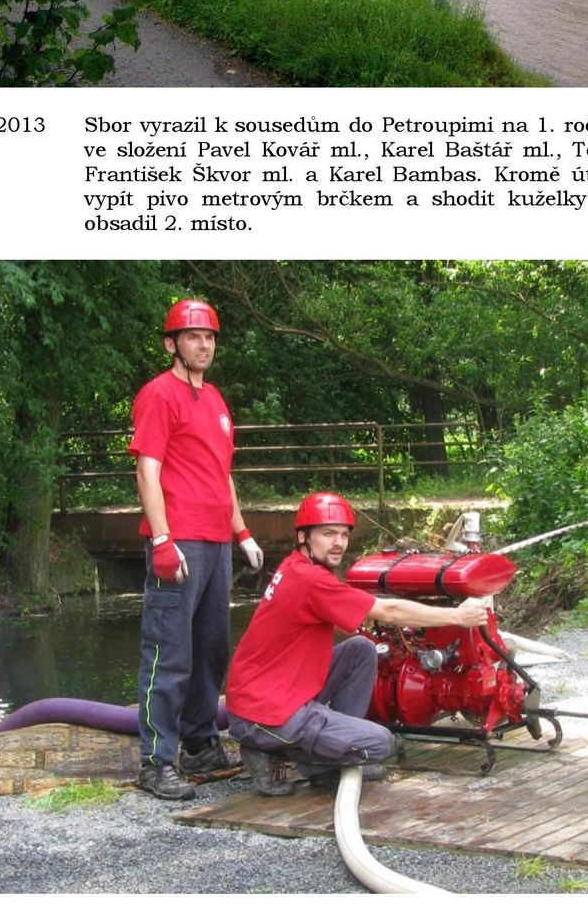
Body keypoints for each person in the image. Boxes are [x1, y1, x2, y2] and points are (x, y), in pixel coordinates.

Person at [225, 491, 491, 795]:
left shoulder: (295, 566)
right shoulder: (313, 581)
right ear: (303, 536)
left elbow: (352, 614)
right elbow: (388, 611)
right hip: (266, 714)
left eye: (343, 534)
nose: (338, 542)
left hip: (264, 695)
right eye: (328, 534)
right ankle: (282, 755)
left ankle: (327, 754)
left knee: (361, 650)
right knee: (380, 743)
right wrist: (456, 616)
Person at [130, 299, 264, 801]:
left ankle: (202, 745)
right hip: (179, 541)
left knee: (210, 651)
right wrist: (162, 539)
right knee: (169, 653)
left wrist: (242, 531)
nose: (203, 344)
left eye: (209, 337)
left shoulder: (217, 401)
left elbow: (220, 473)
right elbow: (148, 470)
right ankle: (154, 762)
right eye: (192, 337)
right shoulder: (158, 395)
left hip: (215, 543)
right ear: (172, 344)